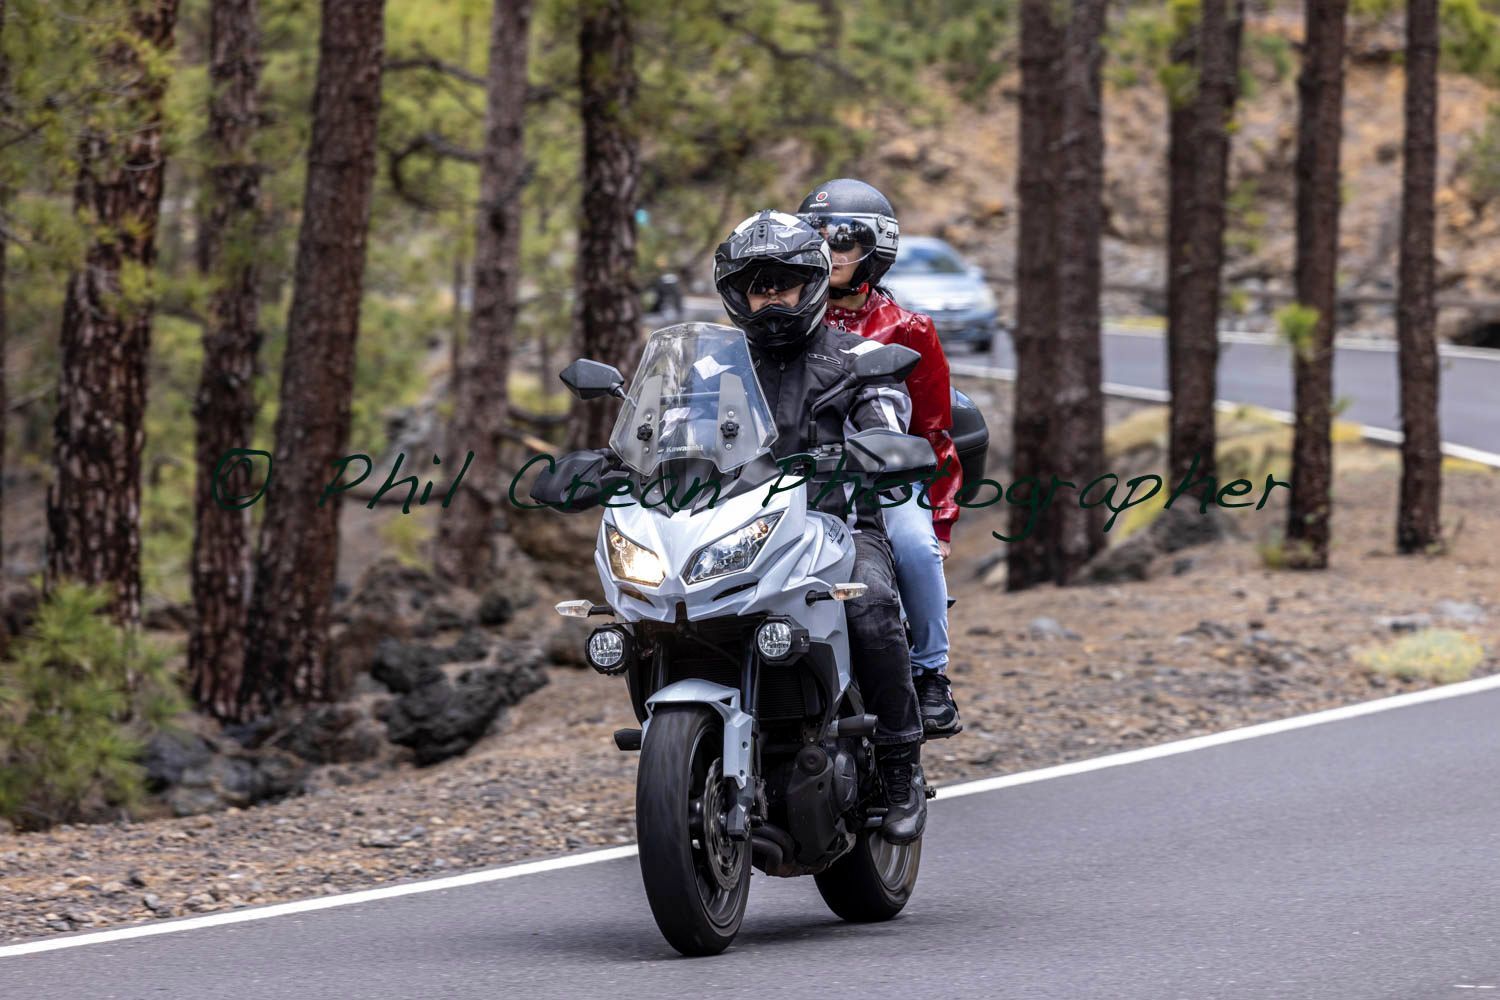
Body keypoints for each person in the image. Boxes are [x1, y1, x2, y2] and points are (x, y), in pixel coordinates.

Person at [713, 209, 927, 844]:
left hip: (835, 529)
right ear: (737, 294)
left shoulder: (859, 359)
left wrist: (882, 443)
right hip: (733, 536)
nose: (771, 295)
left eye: (783, 281)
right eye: (758, 284)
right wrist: (612, 463)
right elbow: (660, 434)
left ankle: (899, 766)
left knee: (872, 604)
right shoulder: (710, 371)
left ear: (810, 285)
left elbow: (886, 414)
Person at [796, 178, 964, 738]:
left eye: (844, 237)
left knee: (915, 547)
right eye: (815, 236)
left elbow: (935, 431)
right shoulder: (784, 322)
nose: (829, 249)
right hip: (798, 483)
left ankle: (930, 675)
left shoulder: (910, 330)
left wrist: (939, 518)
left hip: (883, 481)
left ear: (877, 248)